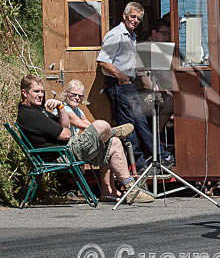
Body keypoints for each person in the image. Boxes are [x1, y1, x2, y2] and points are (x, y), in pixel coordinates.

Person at [16, 75, 152, 203]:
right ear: (24, 93)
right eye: (36, 91)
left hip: (68, 149)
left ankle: (131, 189)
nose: (40, 95)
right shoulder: (29, 115)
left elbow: (66, 127)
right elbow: (66, 134)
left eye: (42, 91)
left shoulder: (39, 111)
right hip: (63, 154)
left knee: (115, 143)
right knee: (101, 125)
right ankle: (112, 132)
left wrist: (60, 107)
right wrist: (100, 131)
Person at [97, 2, 173, 171]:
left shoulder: (131, 36)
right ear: (124, 15)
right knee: (130, 126)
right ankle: (139, 163)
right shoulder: (116, 35)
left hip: (128, 85)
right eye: (132, 16)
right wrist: (122, 77)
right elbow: (103, 61)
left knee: (139, 123)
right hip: (118, 85)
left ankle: (159, 156)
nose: (135, 20)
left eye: (138, 18)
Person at [138, 17, 175, 138]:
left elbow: (166, 77)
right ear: (154, 33)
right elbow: (146, 82)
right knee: (170, 102)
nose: (167, 37)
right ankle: (156, 136)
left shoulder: (161, 49)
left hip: (159, 90)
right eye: (164, 33)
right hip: (142, 93)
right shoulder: (144, 49)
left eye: (169, 34)